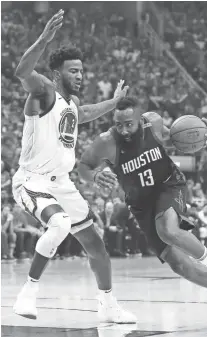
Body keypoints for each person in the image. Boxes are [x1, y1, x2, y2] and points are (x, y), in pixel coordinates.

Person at [78, 96, 207, 324]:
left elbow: (175, 138)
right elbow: (83, 166)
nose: (124, 130)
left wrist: (201, 133)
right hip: (141, 204)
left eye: (129, 123)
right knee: (180, 266)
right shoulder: (106, 142)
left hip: (168, 185)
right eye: (119, 125)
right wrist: (95, 176)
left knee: (167, 230)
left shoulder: (154, 123)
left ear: (140, 118)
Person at [12, 10, 136, 323]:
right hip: (32, 181)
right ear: (57, 73)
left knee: (96, 244)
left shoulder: (72, 104)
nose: (80, 75)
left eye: (81, 70)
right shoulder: (44, 92)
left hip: (61, 183)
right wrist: (43, 39)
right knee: (60, 225)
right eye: (73, 71)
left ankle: (108, 305)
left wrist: (115, 101)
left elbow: (88, 111)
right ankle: (28, 292)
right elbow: (21, 71)